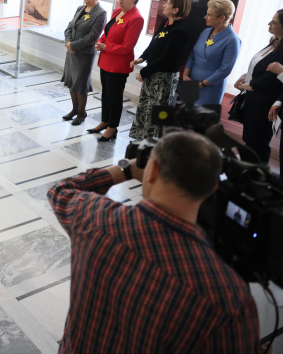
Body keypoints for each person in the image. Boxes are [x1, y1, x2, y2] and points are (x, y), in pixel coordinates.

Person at [48, 130, 260, 353]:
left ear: (153, 171)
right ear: (212, 188)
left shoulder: (95, 220)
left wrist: (126, 167)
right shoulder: (227, 296)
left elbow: (61, 190)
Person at [129, 0, 191, 140]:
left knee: (157, 113)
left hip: (164, 77)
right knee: (145, 108)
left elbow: (166, 59)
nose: (164, 5)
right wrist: (142, 58)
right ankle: (141, 140)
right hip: (153, 73)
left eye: (168, 3)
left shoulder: (180, 31)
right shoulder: (165, 23)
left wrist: (144, 72)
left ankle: (152, 144)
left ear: (175, 10)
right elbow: (153, 44)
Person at [89, 0, 144, 142]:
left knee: (114, 97)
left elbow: (127, 48)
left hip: (118, 65)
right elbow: (106, 33)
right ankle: (104, 121)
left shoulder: (136, 18)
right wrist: (101, 42)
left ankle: (112, 127)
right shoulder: (117, 11)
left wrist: (107, 47)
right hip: (106, 60)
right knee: (105, 94)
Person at [233, 8, 283, 163]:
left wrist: (245, 86)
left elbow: (268, 80)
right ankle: (247, 175)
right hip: (254, 99)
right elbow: (259, 66)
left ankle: (258, 179)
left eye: (274, 22)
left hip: (265, 105)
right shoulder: (275, 42)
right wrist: (246, 76)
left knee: (258, 144)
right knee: (249, 139)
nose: (269, 23)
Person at [62, 0, 107, 126]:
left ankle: (82, 113)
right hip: (72, 52)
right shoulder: (80, 9)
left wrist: (74, 45)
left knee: (80, 84)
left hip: (84, 54)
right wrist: (68, 43)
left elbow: (93, 36)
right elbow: (69, 27)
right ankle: (74, 109)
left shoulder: (100, 13)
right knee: (72, 82)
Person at [183, 0, 241, 106]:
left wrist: (202, 84)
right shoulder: (206, 32)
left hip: (210, 88)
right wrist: (186, 75)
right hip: (192, 82)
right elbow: (192, 55)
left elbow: (225, 69)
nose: (205, 17)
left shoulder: (232, 40)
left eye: (209, 15)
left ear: (221, 18)